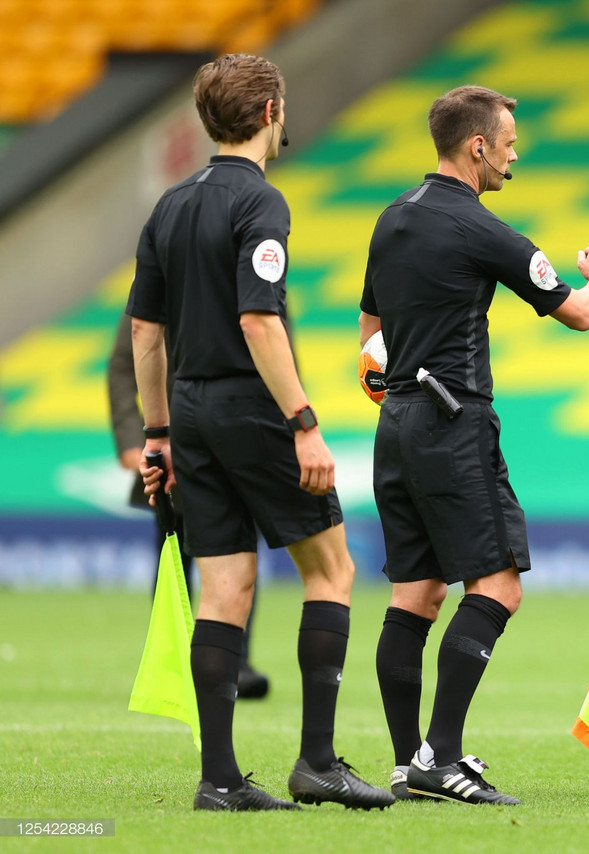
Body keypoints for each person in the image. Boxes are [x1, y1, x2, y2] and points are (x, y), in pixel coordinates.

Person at [127, 53, 393, 812]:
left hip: (190, 410)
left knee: (226, 586)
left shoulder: (169, 206)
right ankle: (316, 763)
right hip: (250, 407)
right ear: (272, 112)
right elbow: (257, 317)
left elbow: (147, 332)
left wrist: (159, 436)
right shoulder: (262, 205)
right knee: (331, 571)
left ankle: (219, 779)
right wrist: (303, 423)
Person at [358, 84, 589, 806]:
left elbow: (368, 335)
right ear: (477, 145)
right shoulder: (480, 227)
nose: (514, 153)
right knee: (498, 586)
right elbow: (576, 312)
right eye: (507, 141)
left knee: (415, 593)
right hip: (452, 419)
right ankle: (441, 757)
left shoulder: (392, 217)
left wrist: (392, 375)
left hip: (397, 421)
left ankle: (409, 760)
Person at [108, 311, 270, 699]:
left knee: (239, 551)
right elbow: (121, 363)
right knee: (172, 555)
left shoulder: (251, 270)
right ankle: (173, 662)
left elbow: (280, 354)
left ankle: (236, 661)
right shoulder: (161, 268)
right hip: (172, 442)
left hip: (239, 437)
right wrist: (134, 439)